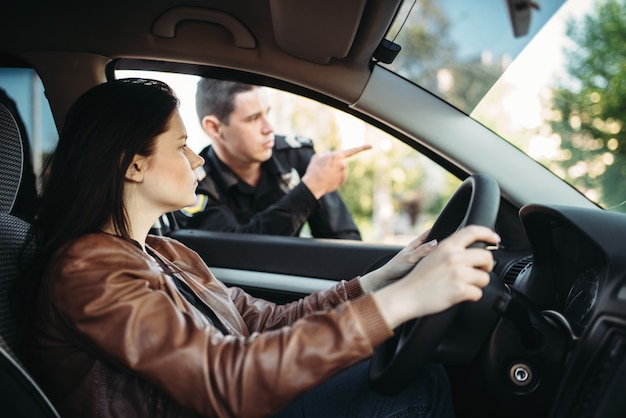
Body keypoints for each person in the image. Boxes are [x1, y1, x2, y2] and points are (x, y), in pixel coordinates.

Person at [24, 78, 499, 418]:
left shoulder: (166, 252)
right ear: (134, 166)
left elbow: (260, 322)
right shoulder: (86, 270)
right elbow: (221, 381)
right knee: (414, 390)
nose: (196, 160)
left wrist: (380, 281)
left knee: (419, 375)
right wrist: (401, 303)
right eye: (181, 145)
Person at [175, 78, 367, 240]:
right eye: (253, 118)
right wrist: (309, 191)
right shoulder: (196, 183)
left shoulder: (296, 156)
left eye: (267, 113)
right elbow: (235, 253)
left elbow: (344, 242)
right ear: (214, 128)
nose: (269, 128)